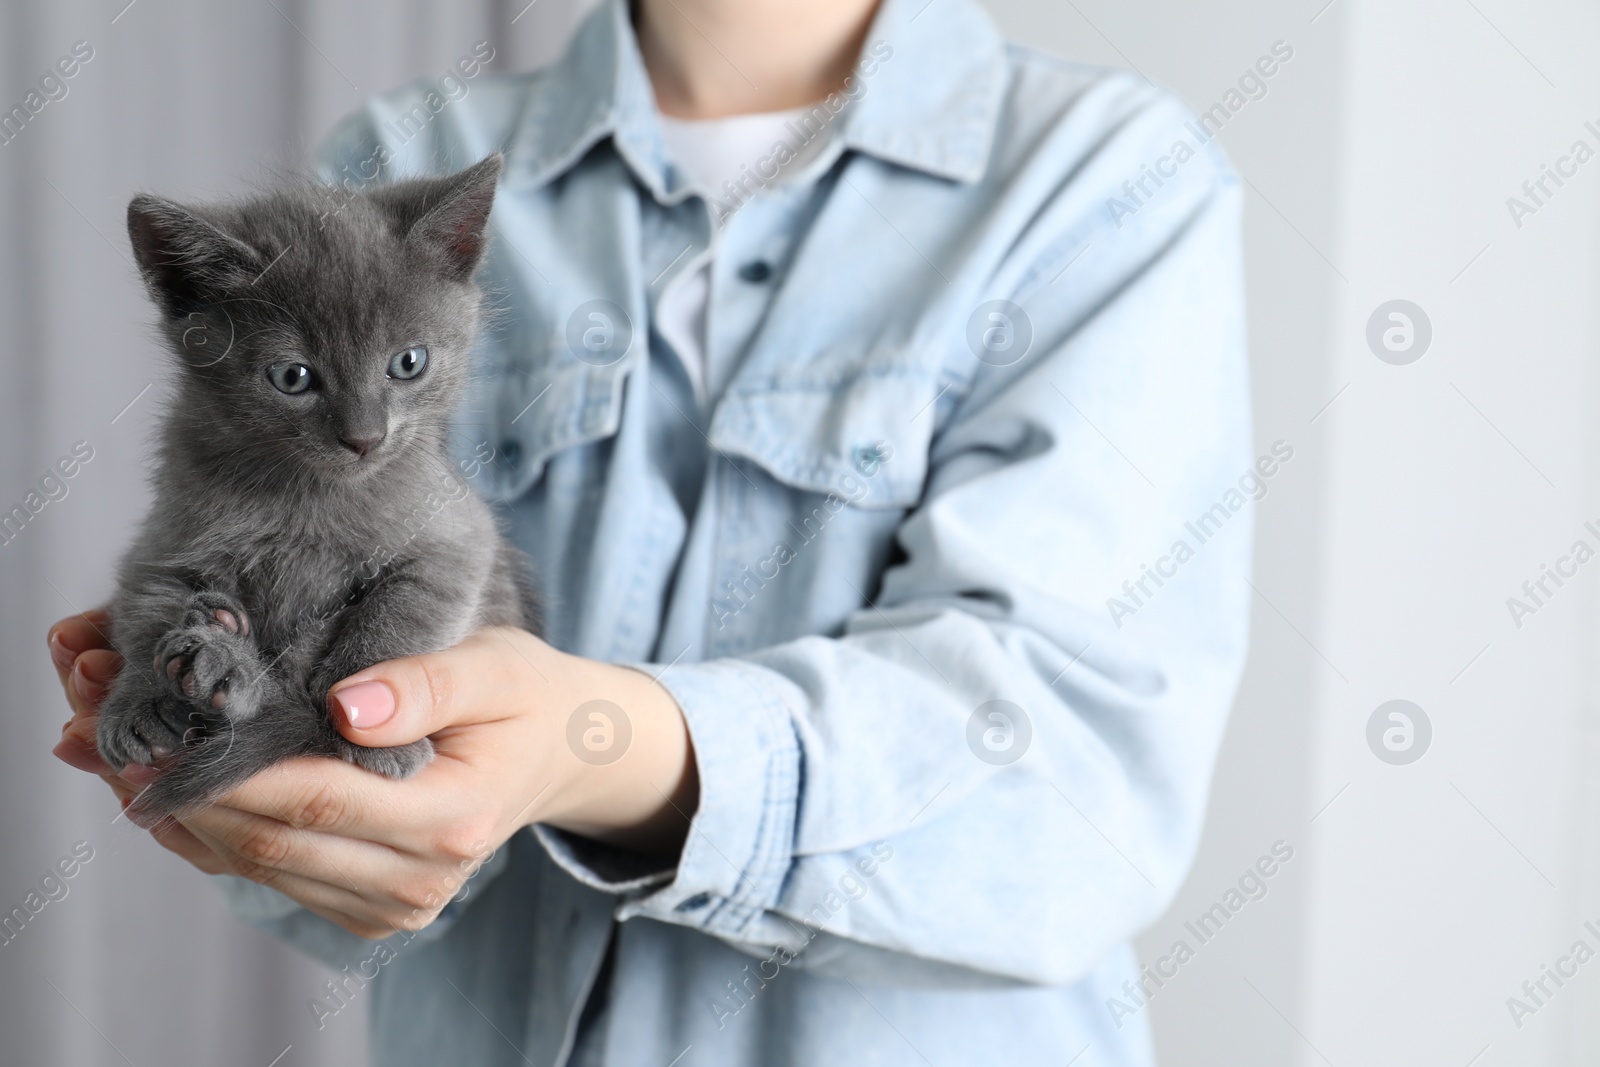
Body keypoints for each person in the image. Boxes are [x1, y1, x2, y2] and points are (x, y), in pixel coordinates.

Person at [49, 0, 1253, 1062]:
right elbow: (357, 841)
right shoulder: (400, 156)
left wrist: (594, 748)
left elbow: (1074, 790)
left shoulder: (1098, 178)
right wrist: (297, 820)